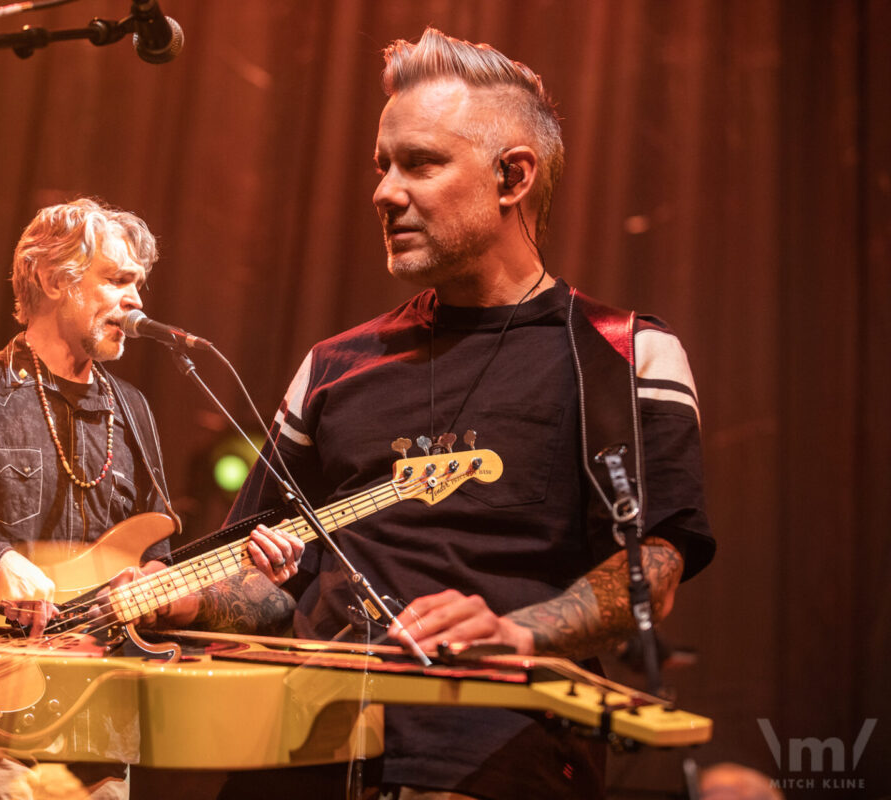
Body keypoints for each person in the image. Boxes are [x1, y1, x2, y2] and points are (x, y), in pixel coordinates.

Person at [168, 29, 716, 800]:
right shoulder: (333, 365)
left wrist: (516, 631)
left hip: (492, 766)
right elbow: (267, 577)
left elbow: (652, 572)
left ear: (512, 176)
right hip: (293, 758)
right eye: (382, 166)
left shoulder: (628, 355)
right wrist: (183, 598)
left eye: (420, 163)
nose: (385, 192)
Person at [0, 197, 296, 800]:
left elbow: (154, 558)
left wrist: (200, 587)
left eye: (139, 283)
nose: (137, 299)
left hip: (102, 717)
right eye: (117, 280)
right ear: (56, 280)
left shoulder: (132, 411)